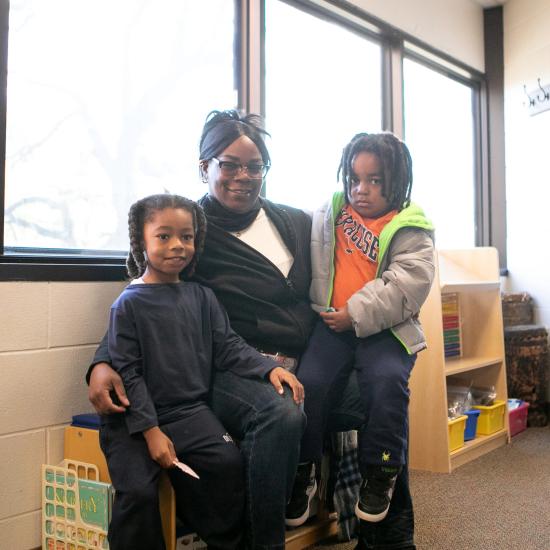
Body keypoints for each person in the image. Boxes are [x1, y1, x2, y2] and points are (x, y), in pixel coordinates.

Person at [88, 110, 419, 550]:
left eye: (254, 166)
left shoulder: (298, 223)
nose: (242, 176)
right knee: (281, 412)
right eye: (229, 164)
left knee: (385, 396)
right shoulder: (190, 232)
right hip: (236, 368)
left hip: (312, 359)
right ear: (204, 167)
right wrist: (102, 359)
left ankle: (388, 539)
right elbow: (144, 297)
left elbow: (362, 263)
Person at [101, 193, 301, 550]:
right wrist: (151, 433)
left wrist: (267, 369)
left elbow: (228, 345)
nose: (178, 245)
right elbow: (129, 375)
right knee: (139, 493)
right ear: (141, 242)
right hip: (136, 420)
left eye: (187, 237)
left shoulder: (201, 297)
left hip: (190, 411)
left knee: (227, 466)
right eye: (164, 236)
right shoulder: (127, 305)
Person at [285, 132, 434, 531]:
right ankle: (304, 471)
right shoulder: (331, 212)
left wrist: (355, 313)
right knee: (309, 383)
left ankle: (380, 473)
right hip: (332, 326)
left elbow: (409, 284)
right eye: (354, 179)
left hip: (388, 329)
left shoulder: (410, 226)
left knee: (387, 382)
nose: (360, 190)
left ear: (397, 182)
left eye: (374, 181)